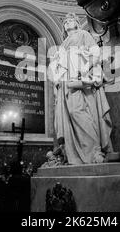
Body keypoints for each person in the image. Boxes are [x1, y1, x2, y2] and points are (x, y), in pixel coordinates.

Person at [48, 13, 113, 165]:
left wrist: (85, 68)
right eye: (65, 22)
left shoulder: (83, 34)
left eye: (70, 20)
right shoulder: (63, 43)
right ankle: (72, 153)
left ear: (77, 23)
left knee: (79, 112)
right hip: (65, 80)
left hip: (80, 76)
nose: (67, 23)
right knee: (69, 114)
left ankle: (94, 151)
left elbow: (96, 52)